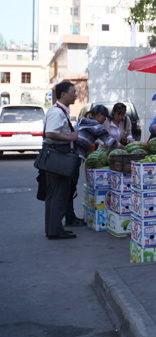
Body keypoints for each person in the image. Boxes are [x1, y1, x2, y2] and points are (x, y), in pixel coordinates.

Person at [42, 81, 81, 239]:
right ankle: (55, 230)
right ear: (63, 94)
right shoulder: (57, 112)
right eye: (73, 92)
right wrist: (69, 137)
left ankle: (53, 228)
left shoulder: (60, 111)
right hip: (59, 155)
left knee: (54, 193)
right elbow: (50, 133)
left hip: (57, 155)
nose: (75, 95)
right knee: (59, 193)